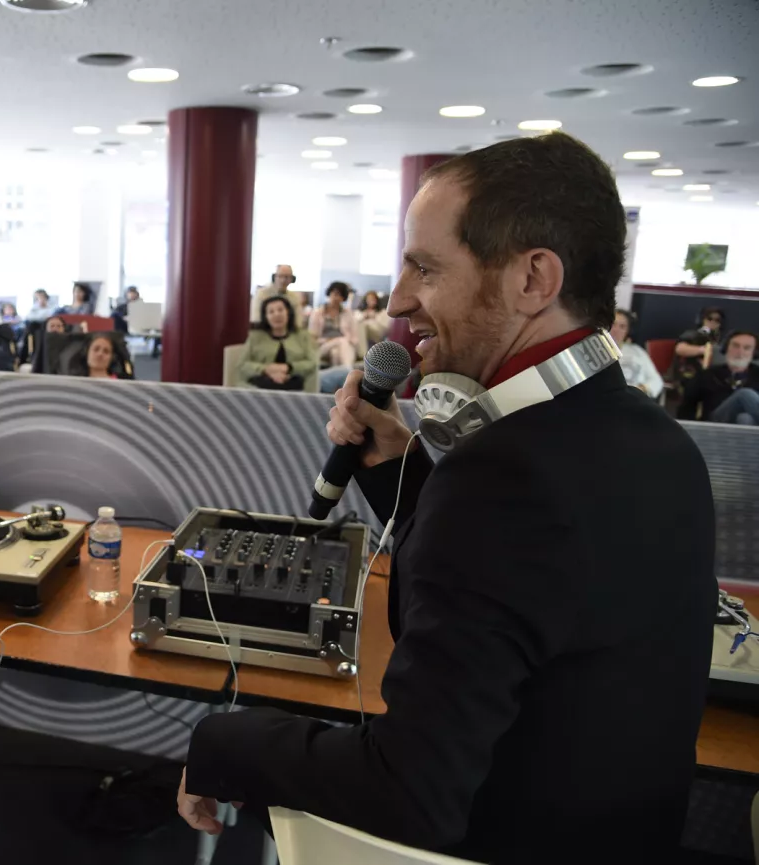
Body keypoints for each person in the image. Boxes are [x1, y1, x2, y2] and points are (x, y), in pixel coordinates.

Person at [179, 132, 715, 864]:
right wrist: (403, 472)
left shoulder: (501, 482)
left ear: (533, 279)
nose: (399, 299)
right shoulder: (660, 444)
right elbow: (530, 589)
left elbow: (408, 793)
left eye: (426, 268)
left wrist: (222, 740)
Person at [235, 295, 316, 392]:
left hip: (294, 382)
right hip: (260, 383)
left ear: (288, 313)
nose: (277, 314)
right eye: (271, 312)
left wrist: (288, 368)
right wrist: (266, 369)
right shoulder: (255, 337)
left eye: (280, 310)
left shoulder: (303, 336)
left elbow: (312, 362)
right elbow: (242, 365)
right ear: (265, 316)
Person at [678, 330, 759, 424]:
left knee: (745, 418)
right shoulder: (708, 375)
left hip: (747, 426)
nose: (740, 352)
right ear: (726, 348)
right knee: (744, 394)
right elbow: (687, 406)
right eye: (735, 346)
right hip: (715, 423)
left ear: (754, 353)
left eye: (747, 348)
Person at [610, 308, 663, 399]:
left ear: (627, 331)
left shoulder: (637, 351)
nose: (616, 330)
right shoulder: (594, 351)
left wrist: (642, 389)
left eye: (622, 326)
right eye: (613, 324)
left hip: (636, 398)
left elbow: (656, 380)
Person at [308, 281, 360, 367]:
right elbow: (312, 338)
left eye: (340, 296)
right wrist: (329, 340)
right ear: (329, 293)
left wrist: (348, 341)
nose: (337, 298)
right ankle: (348, 369)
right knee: (341, 341)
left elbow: (354, 337)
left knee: (335, 353)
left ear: (343, 298)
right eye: (335, 294)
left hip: (343, 345)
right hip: (322, 346)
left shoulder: (347, 313)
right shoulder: (317, 313)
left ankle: (342, 373)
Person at [672, 306, 725, 384]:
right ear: (702, 320)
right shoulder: (692, 334)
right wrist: (704, 350)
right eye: (710, 318)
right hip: (689, 376)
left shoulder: (719, 340)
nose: (713, 322)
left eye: (717, 320)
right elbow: (680, 349)